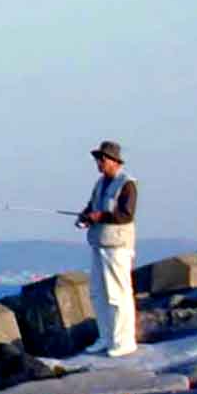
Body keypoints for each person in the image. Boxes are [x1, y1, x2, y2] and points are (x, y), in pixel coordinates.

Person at [76, 140, 137, 357]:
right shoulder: (100, 183)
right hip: (99, 244)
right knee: (98, 293)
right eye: (98, 159)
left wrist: (100, 216)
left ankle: (124, 341)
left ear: (114, 161)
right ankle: (106, 337)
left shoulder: (127, 184)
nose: (99, 163)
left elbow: (126, 214)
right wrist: (86, 217)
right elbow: (92, 206)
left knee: (118, 295)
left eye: (102, 159)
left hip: (118, 247)